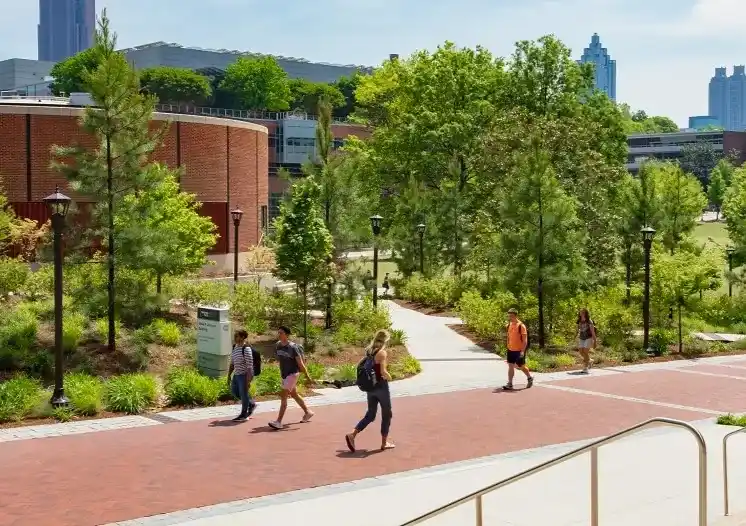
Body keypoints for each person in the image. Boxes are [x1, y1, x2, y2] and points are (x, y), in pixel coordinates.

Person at [345, 329, 395, 452]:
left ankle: (353, 434)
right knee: (387, 414)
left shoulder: (369, 351)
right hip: (381, 387)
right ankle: (384, 443)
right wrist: (390, 377)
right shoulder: (382, 353)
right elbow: (383, 372)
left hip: (370, 388)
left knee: (371, 414)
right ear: (385, 340)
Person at [268, 326, 315, 430]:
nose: (279, 335)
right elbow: (279, 358)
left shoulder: (293, 347)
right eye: (278, 333)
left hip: (292, 374)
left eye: (281, 333)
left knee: (283, 396)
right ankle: (308, 412)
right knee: (294, 394)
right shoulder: (278, 345)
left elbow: (300, 363)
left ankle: (278, 422)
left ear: (287, 335)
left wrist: (307, 376)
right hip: (284, 375)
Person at [227, 329, 256, 422]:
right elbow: (232, 362)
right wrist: (229, 375)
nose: (235, 338)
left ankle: (244, 414)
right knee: (234, 392)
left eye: (237, 336)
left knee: (243, 395)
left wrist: (248, 381)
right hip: (236, 374)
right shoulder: (235, 347)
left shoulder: (246, 349)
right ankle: (251, 404)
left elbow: (250, 366)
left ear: (243, 337)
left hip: (244, 375)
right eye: (235, 336)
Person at [503, 308, 534, 390]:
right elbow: (509, 337)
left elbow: (525, 340)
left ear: (516, 315)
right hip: (510, 349)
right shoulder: (509, 325)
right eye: (509, 315)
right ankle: (510, 383)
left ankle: (529, 378)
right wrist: (508, 346)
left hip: (519, 351)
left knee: (521, 367)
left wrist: (522, 351)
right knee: (510, 366)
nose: (510, 317)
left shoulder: (521, 326)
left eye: (512, 315)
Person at [576, 308, 597, 374]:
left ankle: (585, 368)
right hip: (581, 338)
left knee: (585, 351)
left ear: (586, 313)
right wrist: (575, 335)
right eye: (580, 312)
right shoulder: (579, 321)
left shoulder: (589, 321)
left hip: (588, 337)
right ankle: (590, 360)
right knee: (581, 351)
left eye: (583, 312)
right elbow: (578, 330)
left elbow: (593, 332)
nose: (581, 313)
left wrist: (595, 341)